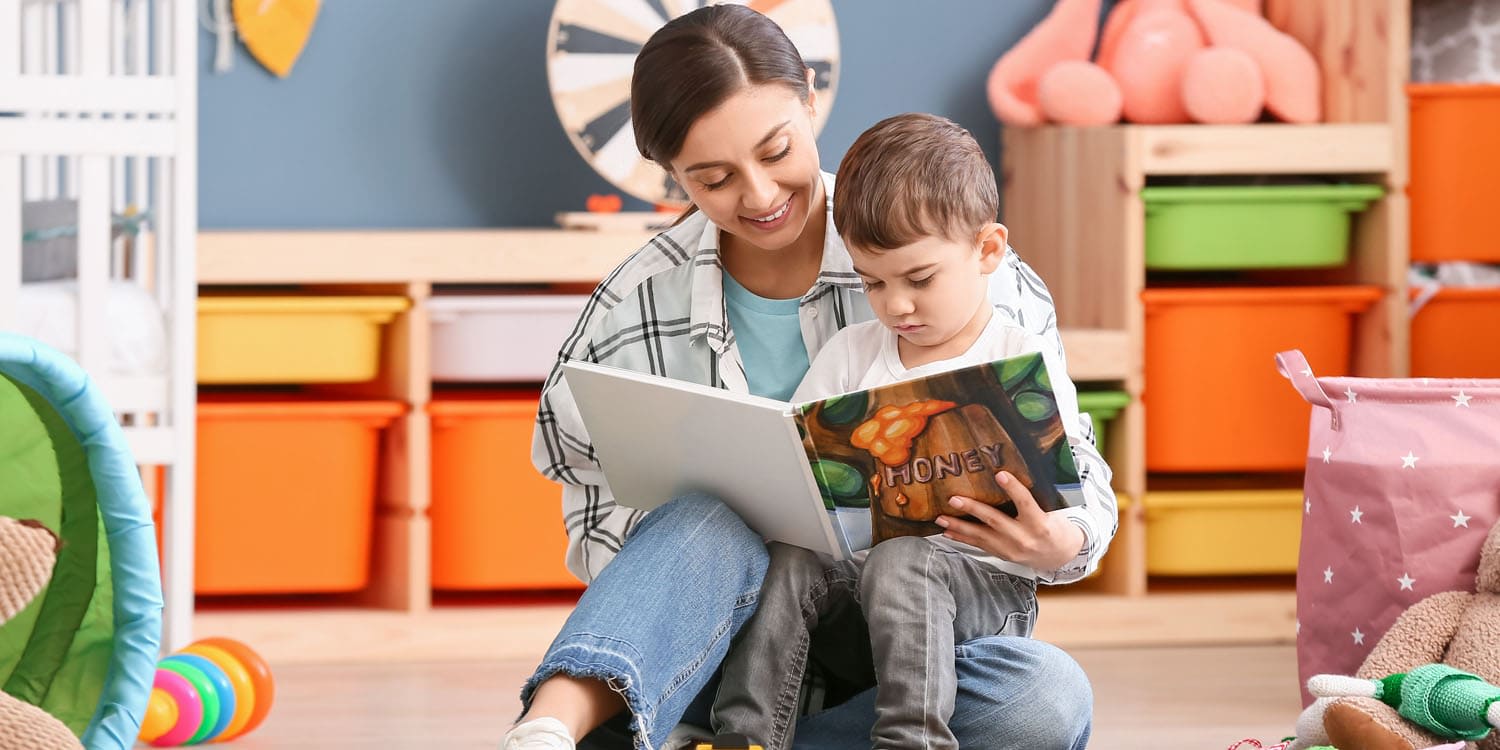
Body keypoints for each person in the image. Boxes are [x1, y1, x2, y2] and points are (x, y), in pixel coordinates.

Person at [504, 6, 1117, 750]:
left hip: (915, 654)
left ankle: (674, 739)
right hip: (724, 647)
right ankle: (550, 730)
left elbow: (1076, 477)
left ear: (809, 103)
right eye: (714, 177)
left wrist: (1057, 546)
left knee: (1040, 698)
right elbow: (590, 503)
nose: (759, 196)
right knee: (710, 520)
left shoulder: (977, 273)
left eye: (777, 150)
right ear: (672, 176)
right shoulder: (636, 302)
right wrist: (710, 558)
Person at [709, 112, 1098, 750]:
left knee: (905, 559)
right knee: (794, 556)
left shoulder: (1016, 354)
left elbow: (1079, 475)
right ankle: (744, 737)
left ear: (987, 251)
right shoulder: (849, 354)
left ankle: (911, 741)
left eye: (919, 279)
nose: (895, 306)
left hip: (981, 594)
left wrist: (1061, 538)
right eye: (872, 283)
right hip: (857, 600)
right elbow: (795, 472)